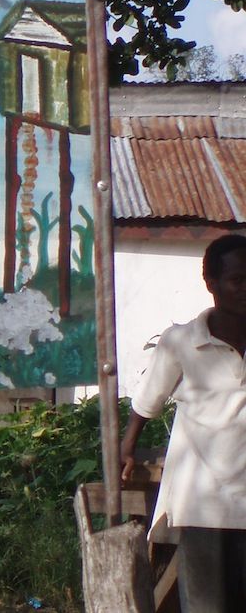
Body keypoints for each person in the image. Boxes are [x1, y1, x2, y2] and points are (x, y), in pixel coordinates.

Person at [120, 233, 246, 612]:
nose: (245, 289)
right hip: (200, 497)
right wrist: (127, 447)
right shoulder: (180, 342)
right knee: (206, 605)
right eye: (236, 280)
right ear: (211, 284)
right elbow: (148, 401)